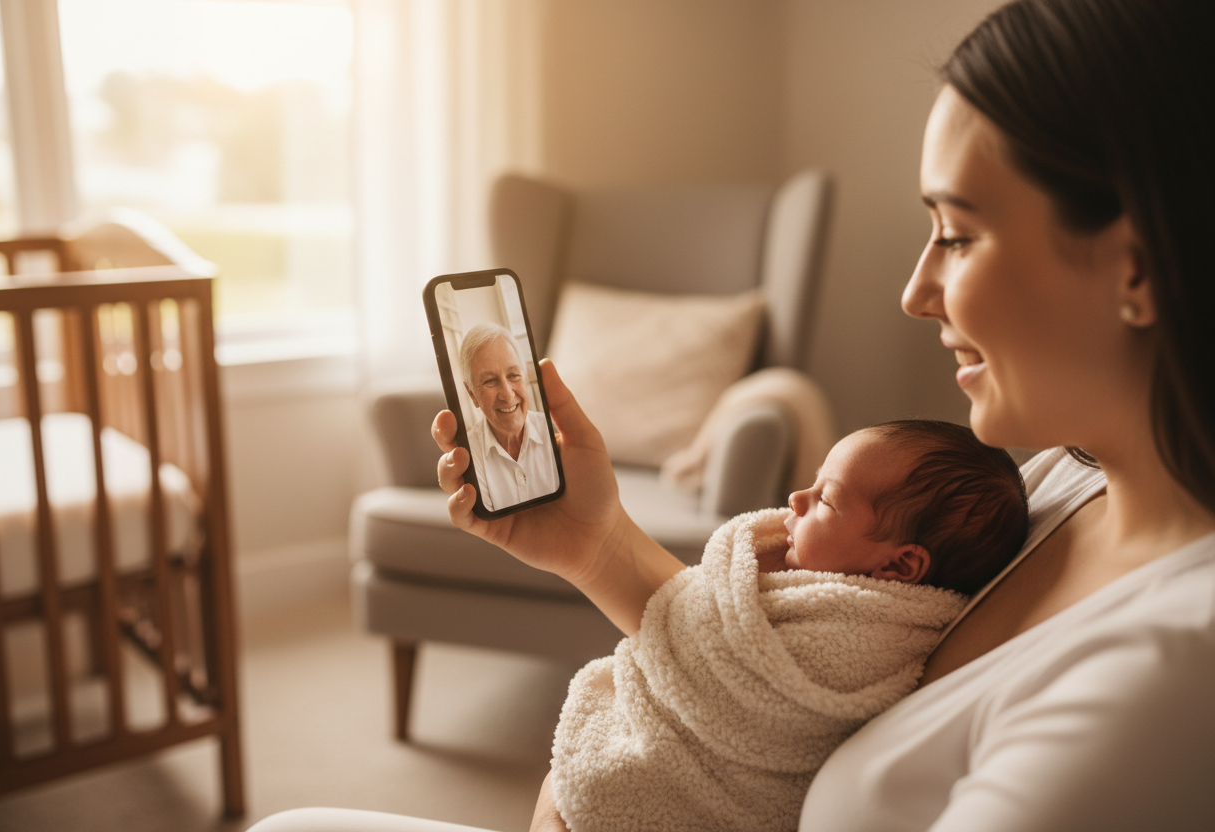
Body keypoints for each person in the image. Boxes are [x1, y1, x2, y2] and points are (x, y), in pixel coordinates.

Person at [431, 1, 1214, 829]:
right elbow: (779, 695)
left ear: (1135, 266)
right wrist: (597, 544)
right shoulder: (1066, 483)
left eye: (957, 235)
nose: (915, 292)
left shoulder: (1167, 674)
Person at [549, 420, 1027, 832]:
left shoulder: (865, 641)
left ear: (899, 567)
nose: (798, 498)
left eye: (827, 500)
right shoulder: (812, 590)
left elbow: (727, 683)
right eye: (814, 482)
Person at [458, 323, 559, 512]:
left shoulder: (554, 429)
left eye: (513, 375)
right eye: (490, 380)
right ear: (472, 394)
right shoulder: (469, 453)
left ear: (525, 377)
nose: (507, 394)